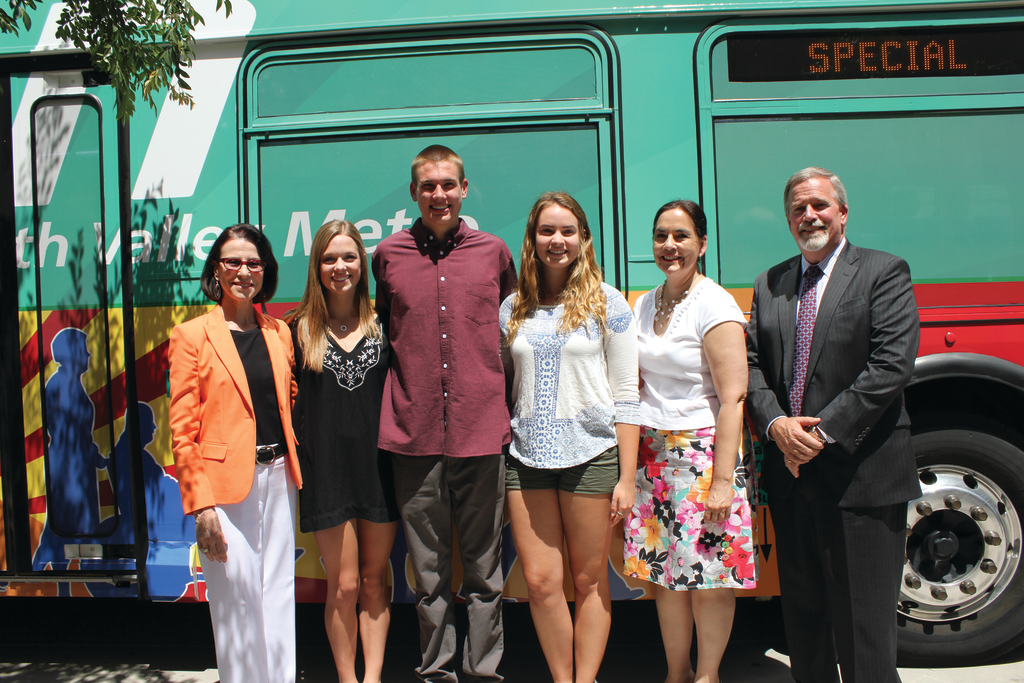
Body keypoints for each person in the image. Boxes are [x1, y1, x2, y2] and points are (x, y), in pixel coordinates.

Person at [746, 167, 920, 683]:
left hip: (861, 476)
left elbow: (891, 365)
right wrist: (777, 425)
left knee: (864, 633)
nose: (809, 216)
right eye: (798, 208)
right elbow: (751, 365)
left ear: (843, 212)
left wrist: (819, 434)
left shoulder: (883, 271)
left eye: (819, 205)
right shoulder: (770, 283)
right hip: (792, 478)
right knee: (805, 627)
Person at [372, 144, 516, 683]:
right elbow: (383, 330)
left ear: (464, 189)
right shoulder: (387, 255)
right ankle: (436, 673)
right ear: (414, 192)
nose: (439, 194)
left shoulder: (494, 253)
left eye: (448, 184)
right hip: (413, 436)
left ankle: (483, 673)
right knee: (428, 577)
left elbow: (512, 333)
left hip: (482, 433)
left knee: (484, 573)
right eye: (428, 185)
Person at [500, 191, 640, 683]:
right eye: (546, 231)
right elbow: (505, 385)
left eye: (566, 231)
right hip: (526, 460)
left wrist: (627, 478)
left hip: (592, 456)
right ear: (532, 239)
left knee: (588, 580)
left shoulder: (609, 302)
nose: (556, 240)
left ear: (584, 238)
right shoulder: (512, 307)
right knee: (540, 583)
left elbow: (627, 395)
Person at [622, 200, 756, 683]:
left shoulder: (715, 303)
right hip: (653, 455)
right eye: (661, 236)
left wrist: (722, 482)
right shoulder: (644, 302)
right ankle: (676, 673)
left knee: (710, 576)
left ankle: (707, 676)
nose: (669, 245)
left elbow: (733, 397)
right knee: (666, 576)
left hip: (703, 455)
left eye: (681, 236)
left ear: (702, 244)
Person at [168, 224, 302, 683]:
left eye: (254, 263)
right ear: (216, 270)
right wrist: (200, 505)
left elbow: (288, 398)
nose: (244, 271)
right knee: (235, 601)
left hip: (279, 476)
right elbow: (182, 430)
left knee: (278, 594)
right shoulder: (191, 336)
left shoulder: (278, 331)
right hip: (223, 490)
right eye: (233, 261)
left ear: (265, 271)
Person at [288, 220, 399, 683]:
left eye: (349, 257)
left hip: (381, 469)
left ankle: (371, 677)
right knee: (344, 585)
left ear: (362, 264)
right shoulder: (297, 330)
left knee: (374, 581)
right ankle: (347, 679)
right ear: (317, 266)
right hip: (326, 472)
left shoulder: (385, 324)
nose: (340, 267)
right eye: (330, 258)